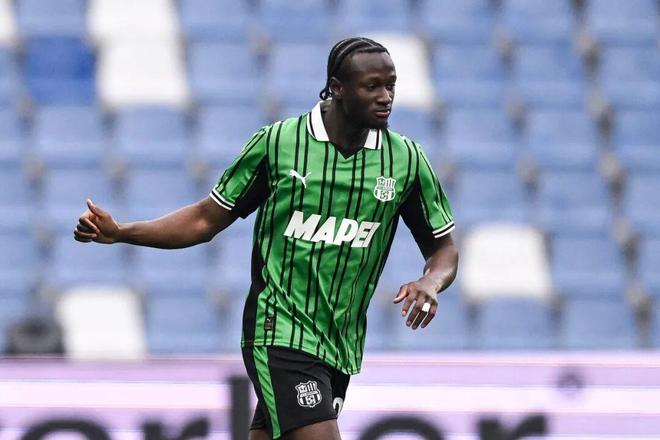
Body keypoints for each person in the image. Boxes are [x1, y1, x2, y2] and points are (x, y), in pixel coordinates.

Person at [74, 37, 458, 440]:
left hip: (339, 343)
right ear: (338, 88)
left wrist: (430, 282)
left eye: (391, 85)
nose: (386, 97)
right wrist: (122, 232)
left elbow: (443, 247)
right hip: (278, 329)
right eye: (372, 86)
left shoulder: (405, 160)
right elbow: (204, 220)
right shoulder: (279, 145)